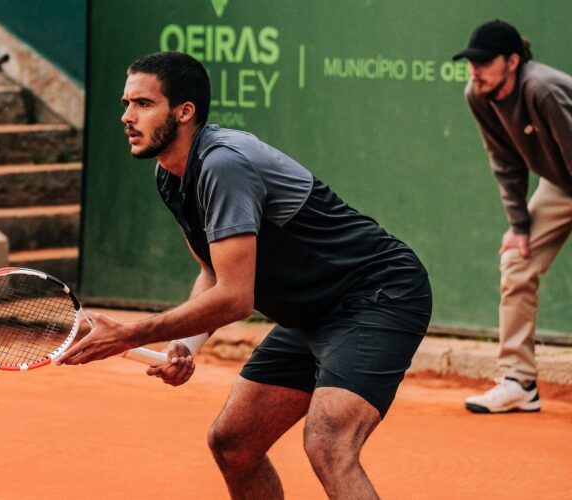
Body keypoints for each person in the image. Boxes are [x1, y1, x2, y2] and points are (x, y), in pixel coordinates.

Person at [57, 51, 432, 499]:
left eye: (143, 104)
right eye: (126, 104)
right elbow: (213, 272)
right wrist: (186, 345)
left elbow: (236, 298)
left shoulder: (223, 164)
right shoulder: (170, 174)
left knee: (328, 444)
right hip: (312, 312)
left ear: (184, 111)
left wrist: (129, 334)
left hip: (376, 294)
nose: (127, 116)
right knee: (233, 444)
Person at [453, 20, 572, 414]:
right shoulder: (478, 94)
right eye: (472, 62)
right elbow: (505, 160)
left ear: (513, 61)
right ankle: (519, 382)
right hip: (561, 184)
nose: (476, 70)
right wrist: (520, 226)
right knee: (516, 261)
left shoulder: (542, 89)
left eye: (485, 62)